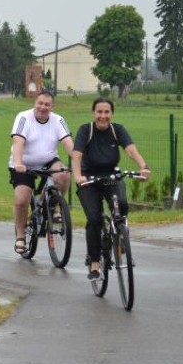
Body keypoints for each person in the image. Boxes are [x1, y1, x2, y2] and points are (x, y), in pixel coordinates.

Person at [71, 98, 151, 281]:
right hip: (88, 179)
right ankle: (95, 263)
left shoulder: (117, 130)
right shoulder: (86, 130)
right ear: (93, 113)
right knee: (94, 219)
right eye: (99, 112)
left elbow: (131, 150)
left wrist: (143, 166)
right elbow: (76, 156)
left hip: (111, 176)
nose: (103, 116)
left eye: (107, 112)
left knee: (121, 203)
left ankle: (121, 236)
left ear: (111, 114)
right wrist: (78, 176)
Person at [8, 90, 74, 254]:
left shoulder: (58, 120)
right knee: (22, 199)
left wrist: (80, 162)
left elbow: (68, 143)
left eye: (47, 104)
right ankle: (21, 236)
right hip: (24, 163)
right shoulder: (23, 117)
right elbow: (18, 142)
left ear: (52, 106)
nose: (43, 107)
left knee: (64, 174)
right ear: (34, 103)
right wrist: (18, 163)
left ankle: (54, 205)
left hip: (48, 161)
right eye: (40, 103)